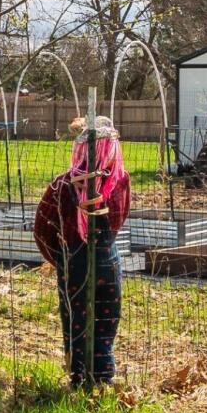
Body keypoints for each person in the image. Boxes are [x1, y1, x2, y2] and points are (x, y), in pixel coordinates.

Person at [33, 118, 132, 391]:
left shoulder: (62, 185)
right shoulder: (119, 182)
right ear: (111, 148)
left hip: (72, 263)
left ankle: (79, 379)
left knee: (76, 320)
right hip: (108, 260)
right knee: (106, 318)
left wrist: (61, 258)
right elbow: (119, 218)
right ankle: (102, 378)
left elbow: (42, 229)